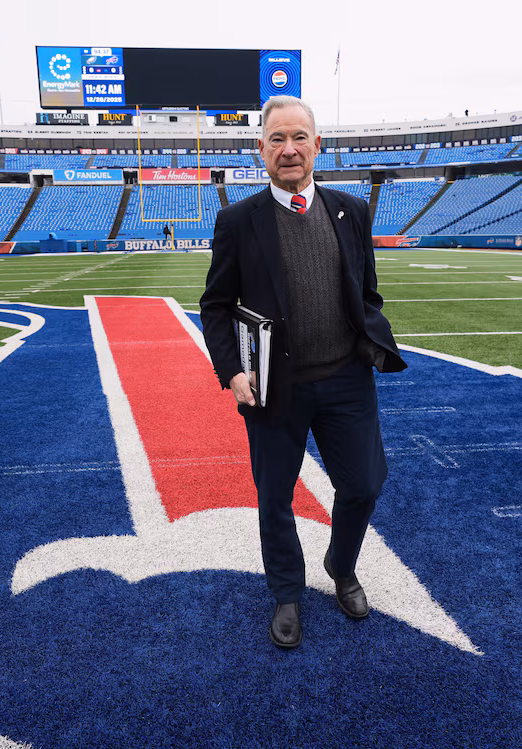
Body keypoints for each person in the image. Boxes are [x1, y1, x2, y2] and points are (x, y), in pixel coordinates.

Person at [199, 96, 407, 649]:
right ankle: (288, 591)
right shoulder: (238, 221)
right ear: (260, 150)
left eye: (298, 138)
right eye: (276, 139)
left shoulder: (352, 211)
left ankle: (341, 566)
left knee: (364, 484)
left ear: (318, 145)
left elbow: (367, 292)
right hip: (274, 384)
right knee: (275, 495)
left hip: (346, 379)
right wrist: (232, 371)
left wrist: (372, 336)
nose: (288, 149)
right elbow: (216, 305)